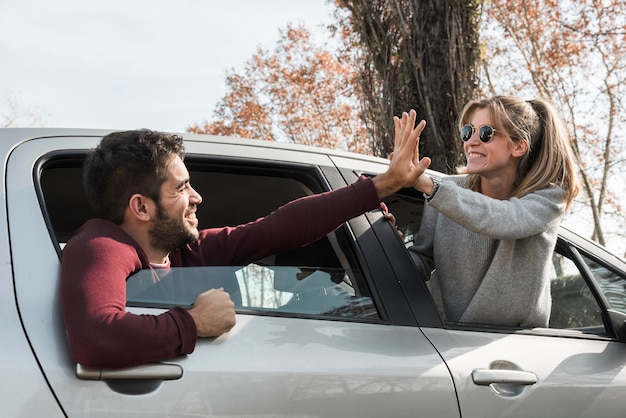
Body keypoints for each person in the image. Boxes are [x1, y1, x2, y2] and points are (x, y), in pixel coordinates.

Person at [61, 112, 429, 369]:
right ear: (140, 207)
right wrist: (193, 323)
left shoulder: (186, 252)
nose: (196, 197)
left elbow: (276, 229)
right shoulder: (101, 244)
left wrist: (383, 185)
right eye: (181, 187)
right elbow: (95, 337)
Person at [405, 95, 580, 328]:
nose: (472, 142)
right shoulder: (445, 192)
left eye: (486, 133)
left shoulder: (548, 198)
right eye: (468, 132)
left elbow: (503, 219)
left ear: (518, 146)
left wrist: (427, 185)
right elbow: (422, 262)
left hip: (520, 345)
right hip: (455, 341)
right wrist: (386, 245)